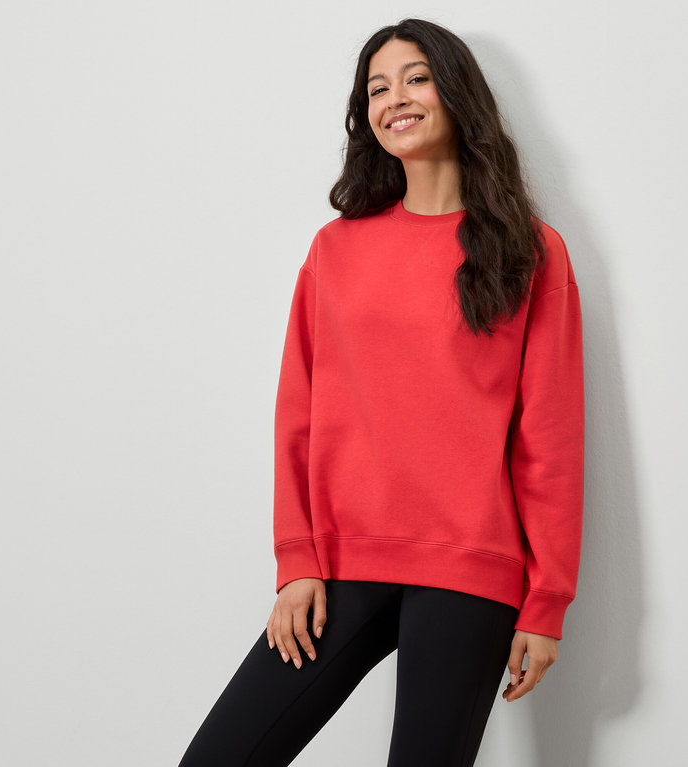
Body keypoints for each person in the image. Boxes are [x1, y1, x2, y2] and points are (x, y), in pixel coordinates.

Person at [179, 17, 585, 767]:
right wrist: (297, 560)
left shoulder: (529, 251)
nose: (395, 98)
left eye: (417, 78)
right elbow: (298, 415)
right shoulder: (335, 249)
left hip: (471, 569)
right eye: (377, 87)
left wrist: (547, 601)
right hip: (341, 565)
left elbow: (550, 439)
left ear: (457, 93)